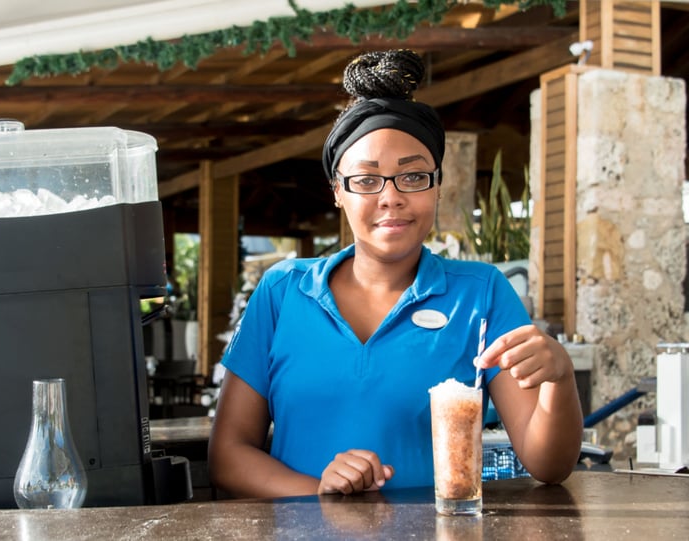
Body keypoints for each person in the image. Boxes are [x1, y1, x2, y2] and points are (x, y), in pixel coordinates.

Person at [208, 49, 583, 498]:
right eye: (366, 180)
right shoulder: (282, 292)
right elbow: (228, 455)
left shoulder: (481, 295)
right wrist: (321, 491)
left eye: (413, 177)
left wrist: (560, 380)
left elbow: (548, 465)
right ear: (337, 194)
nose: (391, 198)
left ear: (437, 186)